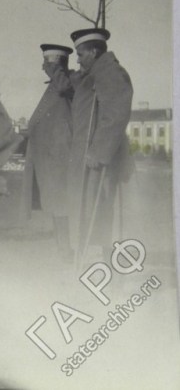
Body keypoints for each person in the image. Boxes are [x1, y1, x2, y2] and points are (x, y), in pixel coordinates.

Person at [67, 28, 133, 261]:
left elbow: (115, 114)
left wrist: (99, 152)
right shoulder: (94, 72)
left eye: (81, 53)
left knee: (100, 209)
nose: (77, 59)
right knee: (89, 209)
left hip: (100, 157)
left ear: (94, 51)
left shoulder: (109, 72)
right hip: (89, 155)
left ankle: (108, 265)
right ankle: (95, 260)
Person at [19, 44, 74, 260]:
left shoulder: (66, 83)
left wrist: (56, 70)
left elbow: (64, 89)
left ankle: (65, 250)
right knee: (54, 203)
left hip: (59, 156)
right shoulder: (56, 85)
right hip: (48, 157)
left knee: (60, 204)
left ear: (57, 64)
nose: (43, 67)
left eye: (47, 62)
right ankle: (62, 249)